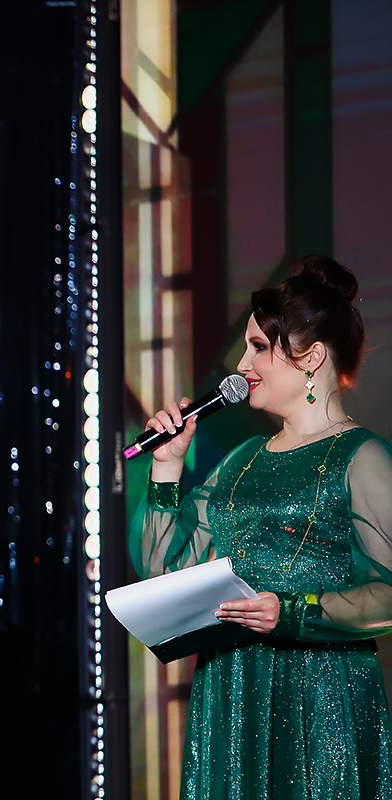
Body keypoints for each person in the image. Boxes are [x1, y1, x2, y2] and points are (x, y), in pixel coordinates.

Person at [132, 256, 392, 799]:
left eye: (257, 347)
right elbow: (163, 568)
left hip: (318, 695)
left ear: (312, 357)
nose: (241, 364)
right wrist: (167, 465)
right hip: (229, 692)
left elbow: (389, 592)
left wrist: (292, 611)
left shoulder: (360, 456)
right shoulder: (241, 458)